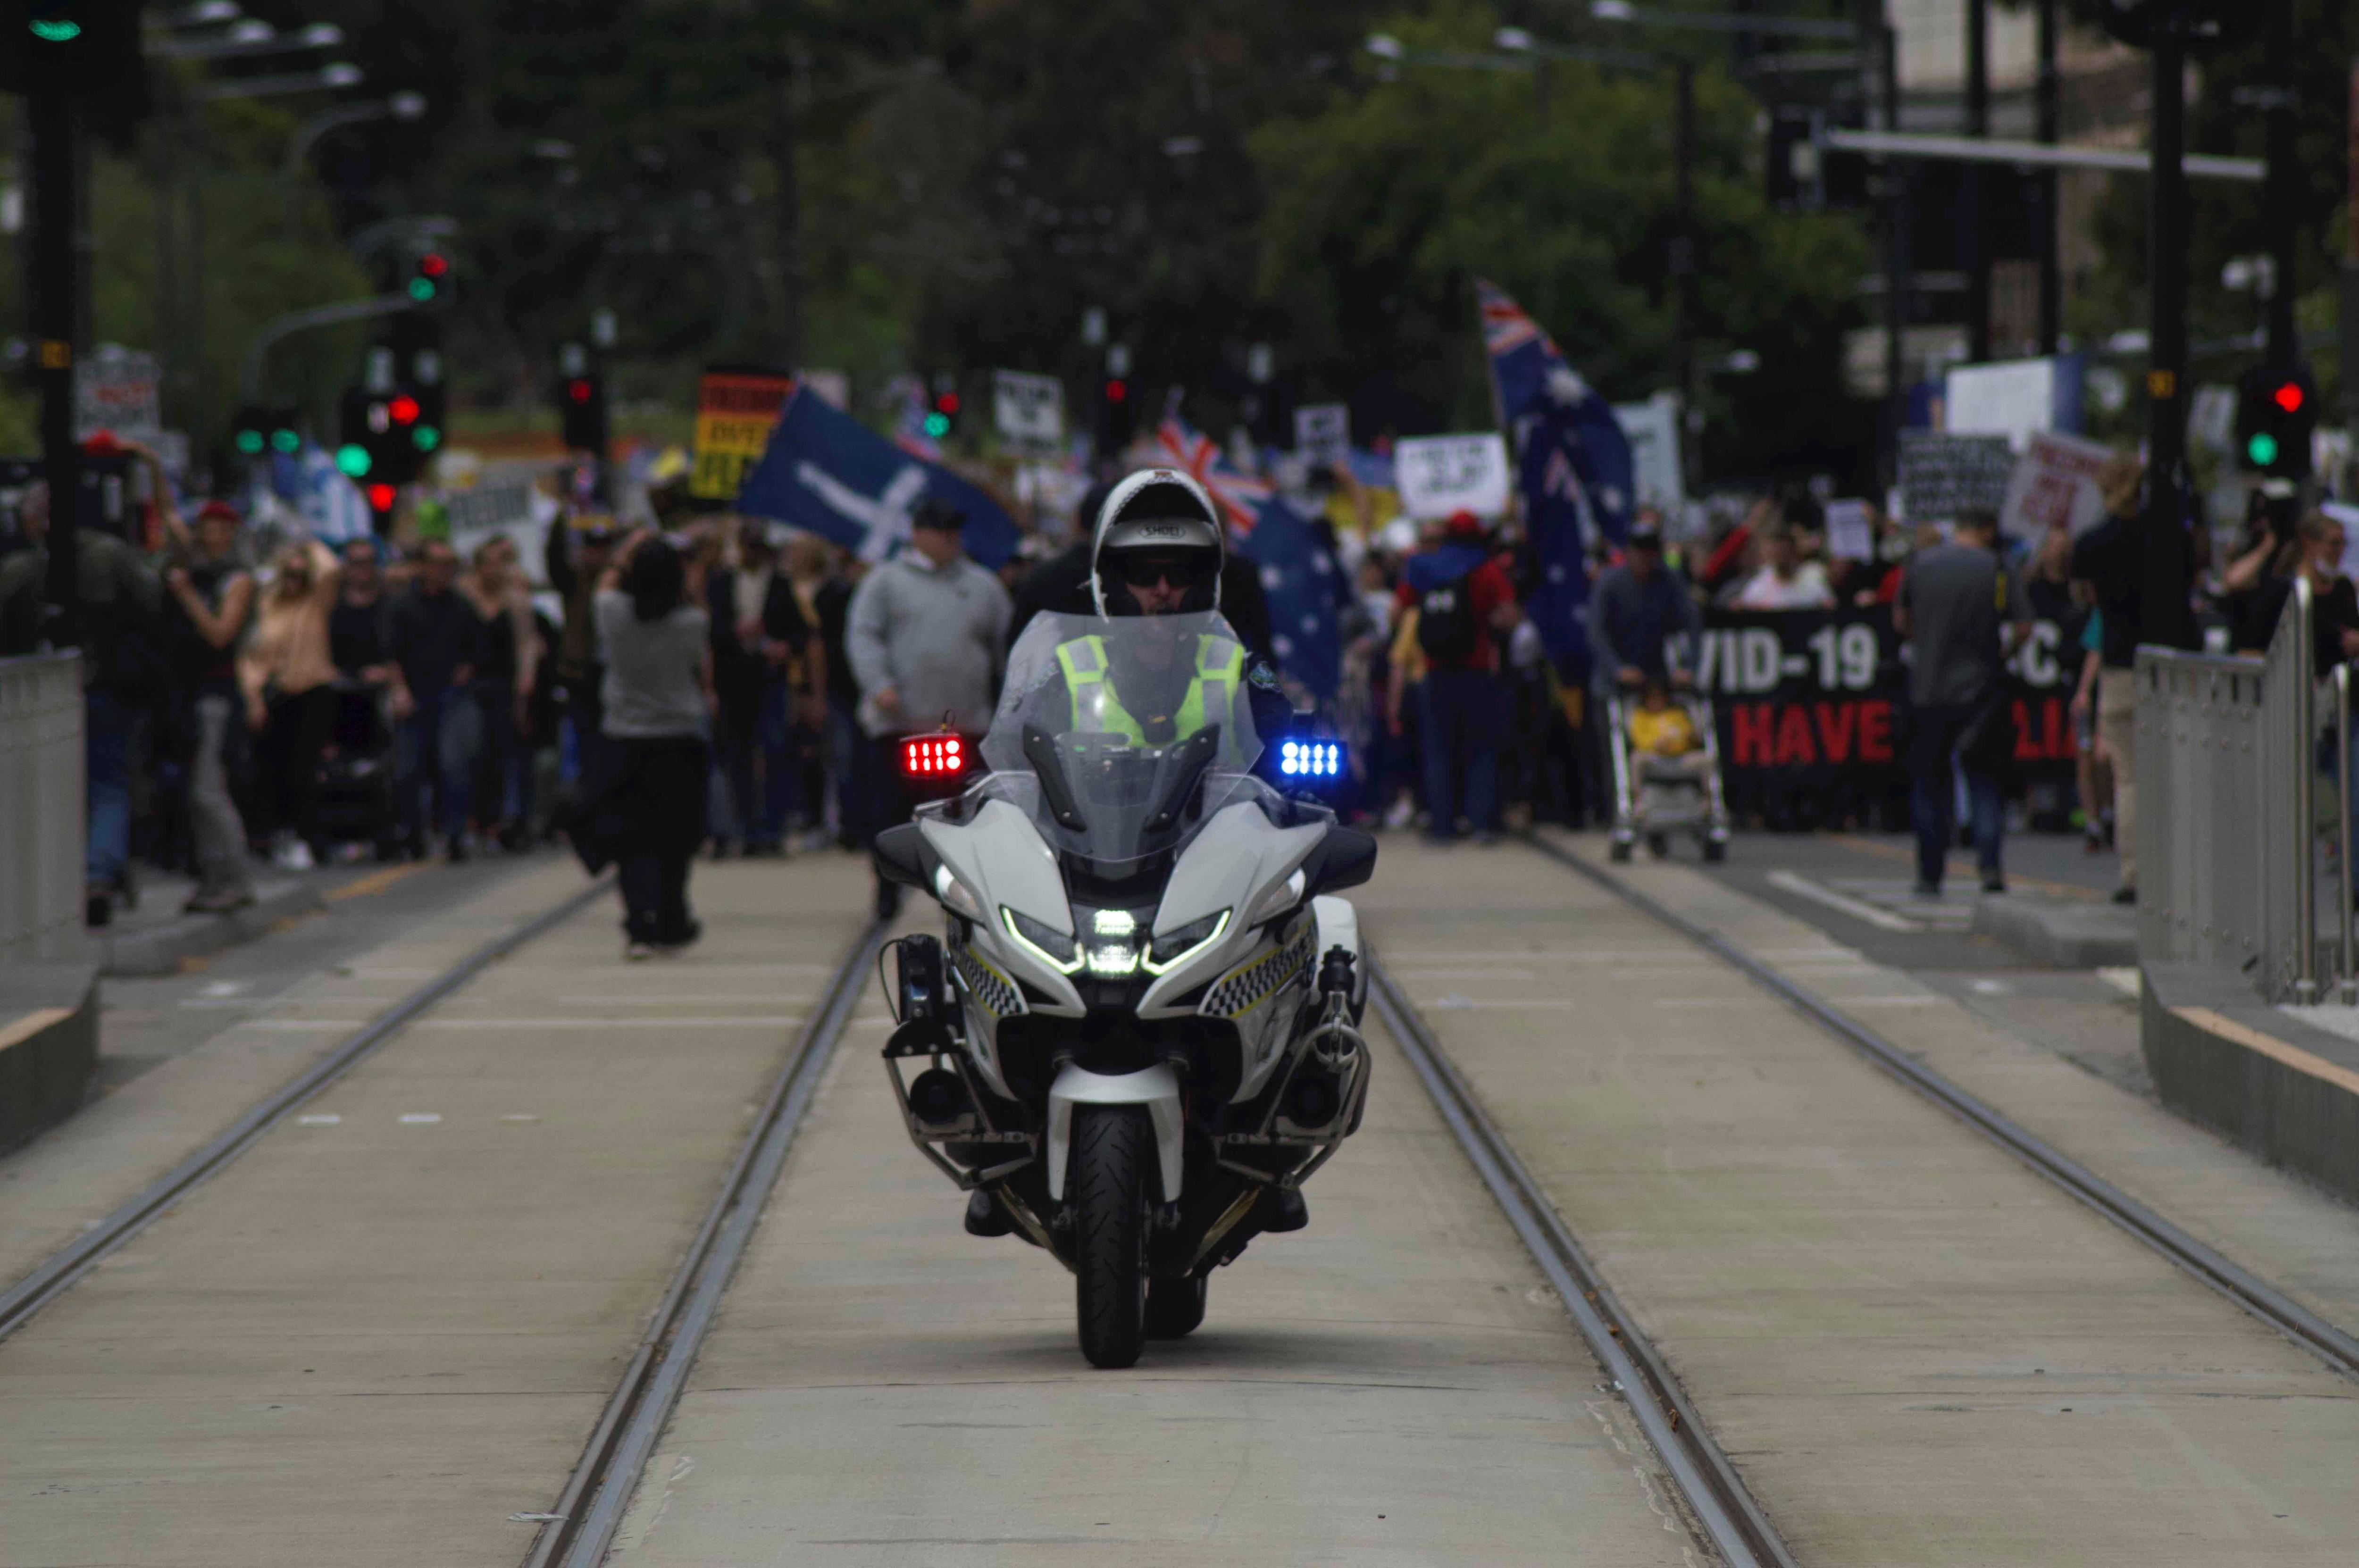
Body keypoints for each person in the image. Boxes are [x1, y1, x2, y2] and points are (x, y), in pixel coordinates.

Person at [0, 482, 168, 924]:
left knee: (58, 789)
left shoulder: (24, 568)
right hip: (104, 689)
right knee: (107, 787)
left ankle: (81, 879)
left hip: (49, 695)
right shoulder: (110, 555)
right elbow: (153, 607)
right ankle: (96, 877)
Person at [845, 497, 1012, 916]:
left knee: (959, 815)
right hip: (899, 722)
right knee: (890, 813)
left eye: (955, 532)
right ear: (918, 533)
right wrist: (878, 685)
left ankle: (956, 895)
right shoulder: (885, 582)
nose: (950, 540)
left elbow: (1006, 647)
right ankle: (886, 890)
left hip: (964, 722)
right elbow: (863, 636)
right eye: (942, 532)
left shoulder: (983, 585)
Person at [577, 531, 713, 958]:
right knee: (675, 842)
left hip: (625, 741)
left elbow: (605, 584)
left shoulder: (612, 612)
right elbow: (698, 621)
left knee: (631, 843)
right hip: (679, 743)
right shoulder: (692, 623)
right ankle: (673, 921)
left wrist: (626, 551)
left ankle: (639, 927)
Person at [1894, 508, 2029, 897]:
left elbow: (1901, 621)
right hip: (1982, 689)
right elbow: (2024, 626)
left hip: (1927, 688)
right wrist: (2003, 654)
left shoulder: (1920, 563)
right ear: (1987, 530)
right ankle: (1989, 866)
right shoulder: (1998, 568)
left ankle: (1929, 873)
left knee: (1929, 784)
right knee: (1984, 780)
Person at [2069, 452, 2175, 904]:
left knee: (2128, 776)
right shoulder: (2164, 535)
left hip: (2118, 666)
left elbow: (2082, 597)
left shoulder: (2094, 542)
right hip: (2170, 665)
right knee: (2170, 771)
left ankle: (2133, 872)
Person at [1396, 510, 1521, 843]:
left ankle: (1441, 826)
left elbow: (1400, 609)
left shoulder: (1423, 566)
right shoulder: (1486, 568)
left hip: (1434, 671)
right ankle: (1480, 823)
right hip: (1477, 670)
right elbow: (1509, 616)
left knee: (1438, 751)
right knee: (1480, 750)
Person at [162, 500, 258, 913]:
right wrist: (149, 461)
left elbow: (221, 635)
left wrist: (185, 596)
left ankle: (236, 879)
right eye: (206, 528)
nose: (212, 536)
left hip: (216, 697)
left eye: (222, 529)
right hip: (187, 694)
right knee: (194, 792)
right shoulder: (197, 567)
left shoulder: (237, 580)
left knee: (208, 791)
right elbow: (167, 515)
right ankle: (212, 879)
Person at [707, 519, 820, 856]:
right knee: (737, 756)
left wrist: (783, 647)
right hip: (733, 682)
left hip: (769, 680)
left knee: (774, 752)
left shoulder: (781, 584)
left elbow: (801, 633)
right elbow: (711, 630)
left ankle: (771, 828)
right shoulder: (722, 583)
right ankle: (746, 828)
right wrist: (736, 634)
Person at [238, 536, 343, 873]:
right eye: (291, 574)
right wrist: (254, 697)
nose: (296, 580)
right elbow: (252, 655)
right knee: (274, 771)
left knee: (305, 769)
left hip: (313, 690)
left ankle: (308, 838)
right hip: (278, 694)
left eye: (302, 574)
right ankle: (279, 835)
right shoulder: (268, 605)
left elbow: (332, 569)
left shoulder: (317, 601)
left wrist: (305, 541)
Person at [386, 537, 485, 861]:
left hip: (451, 695)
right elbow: (391, 653)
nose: (444, 572)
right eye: (438, 565)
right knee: (408, 769)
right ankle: (413, 834)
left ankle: (455, 833)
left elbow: (479, 647)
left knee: (453, 764)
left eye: (449, 566)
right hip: (414, 695)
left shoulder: (460, 605)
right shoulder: (403, 605)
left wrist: (466, 670)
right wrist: (399, 690)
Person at [459, 534, 541, 851]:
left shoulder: (515, 600)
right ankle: (480, 819)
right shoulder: (466, 596)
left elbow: (526, 642)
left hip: (505, 685)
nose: (495, 570)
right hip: (473, 686)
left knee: (511, 753)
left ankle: (512, 821)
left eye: (500, 563)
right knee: (476, 753)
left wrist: (526, 681)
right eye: (489, 563)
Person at [1732, 526, 1834, 610]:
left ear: (1794, 552)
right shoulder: (1761, 582)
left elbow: (1829, 606)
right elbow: (1744, 605)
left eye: (1785, 551)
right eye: (1778, 551)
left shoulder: (1812, 579)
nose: (1781, 555)